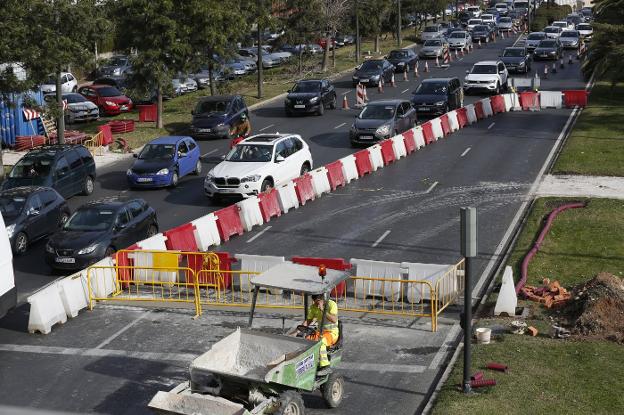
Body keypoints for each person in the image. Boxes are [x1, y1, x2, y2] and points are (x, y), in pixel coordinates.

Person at [301, 293, 339, 375]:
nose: (315, 303)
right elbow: (308, 321)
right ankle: (308, 365)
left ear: (323, 299)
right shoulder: (313, 306)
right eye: (314, 301)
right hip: (320, 332)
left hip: (332, 334)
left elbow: (334, 319)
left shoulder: (332, 304)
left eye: (317, 301)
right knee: (306, 341)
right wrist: (298, 331)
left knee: (320, 342)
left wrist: (322, 309)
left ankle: (326, 366)